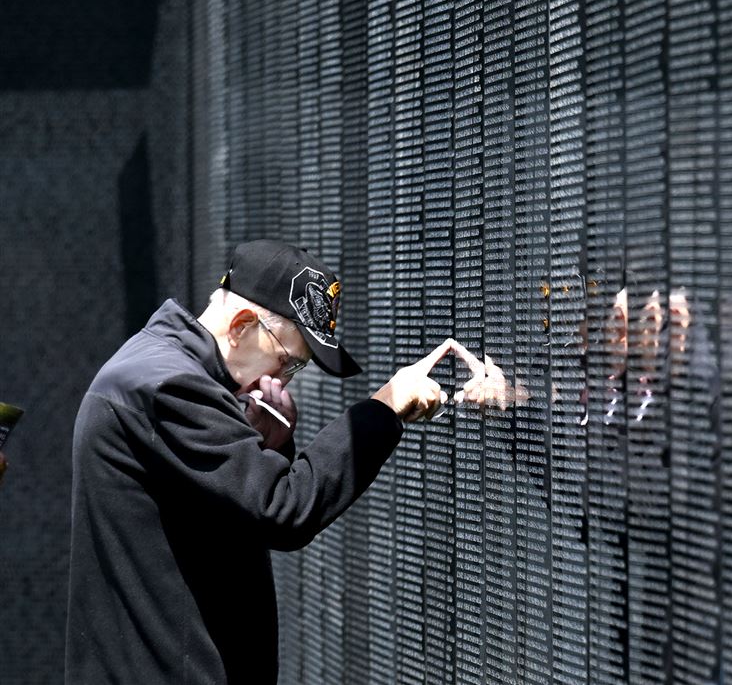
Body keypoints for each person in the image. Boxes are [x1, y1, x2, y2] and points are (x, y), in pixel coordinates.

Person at [65, 240, 476, 684]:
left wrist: (269, 445)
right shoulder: (171, 387)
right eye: (287, 362)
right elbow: (283, 509)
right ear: (242, 325)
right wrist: (384, 409)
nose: (280, 379)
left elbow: (225, 514)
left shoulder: (155, 366)